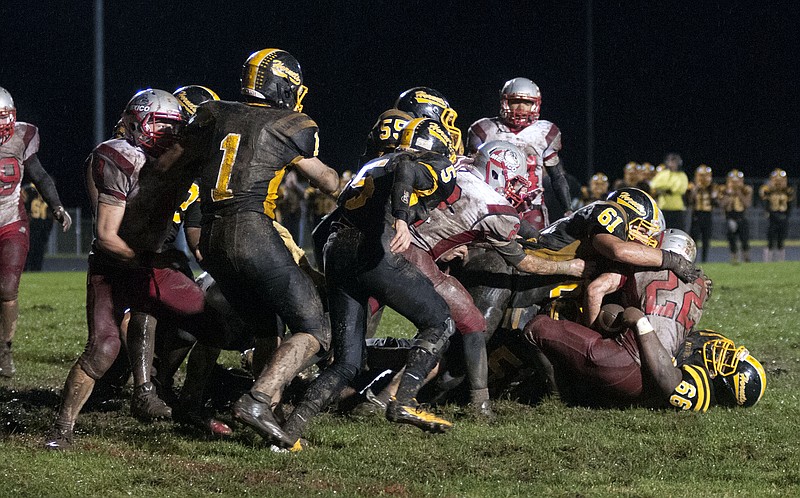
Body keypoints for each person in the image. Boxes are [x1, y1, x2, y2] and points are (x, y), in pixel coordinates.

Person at [179, 48, 339, 448]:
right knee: (314, 327)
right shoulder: (290, 123)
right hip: (250, 232)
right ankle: (257, 401)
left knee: (266, 325)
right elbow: (329, 183)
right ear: (283, 84)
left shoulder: (214, 112)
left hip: (212, 234)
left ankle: (199, 403)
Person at [279, 118, 461, 449]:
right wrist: (403, 221)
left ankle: (288, 433)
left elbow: (329, 222)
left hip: (338, 248)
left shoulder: (374, 163)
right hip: (373, 248)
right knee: (440, 320)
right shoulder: (421, 161)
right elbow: (407, 169)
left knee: (347, 362)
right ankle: (404, 400)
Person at [45, 88, 205, 450]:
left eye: (172, 128)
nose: (166, 135)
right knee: (103, 347)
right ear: (136, 122)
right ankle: (61, 429)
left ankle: (182, 402)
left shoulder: (167, 161)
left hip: (151, 262)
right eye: (160, 126)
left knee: (208, 322)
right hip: (115, 265)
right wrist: (148, 262)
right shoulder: (118, 156)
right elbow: (106, 236)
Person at [524, 230, 766, 411]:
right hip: (644, 367)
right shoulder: (701, 283)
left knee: (536, 328)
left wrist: (614, 327)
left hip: (627, 365)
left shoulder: (651, 267)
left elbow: (595, 290)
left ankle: (559, 397)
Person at [0, 86, 72, 378]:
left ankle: (5, 350)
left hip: (10, 221)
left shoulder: (22, 136)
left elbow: (39, 174)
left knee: (7, 289)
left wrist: (56, 206)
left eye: (3, 117)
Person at [467, 78, 571, 230]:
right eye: (515, 101)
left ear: (535, 104)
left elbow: (557, 176)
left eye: (527, 103)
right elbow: (471, 175)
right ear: (505, 102)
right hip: (490, 204)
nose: (521, 107)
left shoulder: (546, 132)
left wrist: (568, 209)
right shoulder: (484, 129)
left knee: (535, 249)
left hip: (531, 208)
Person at [759, 168, 795, 262]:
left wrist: (786, 216)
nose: (778, 182)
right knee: (770, 240)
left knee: (781, 240)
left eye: (781, 180)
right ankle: (767, 261)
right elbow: (764, 201)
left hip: (783, 216)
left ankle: (780, 261)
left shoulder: (788, 190)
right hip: (773, 216)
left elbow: (790, 205)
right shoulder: (767, 190)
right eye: (776, 180)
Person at [718, 169, 753, 263]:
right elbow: (721, 204)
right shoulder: (724, 190)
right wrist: (729, 195)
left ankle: (746, 258)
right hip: (730, 218)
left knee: (744, 240)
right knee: (732, 240)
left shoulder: (746, 189)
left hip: (741, 218)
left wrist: (739, 193)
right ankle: (734, 259)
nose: (735, 183)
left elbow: (747, 204)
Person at [649, 153, 688, 230]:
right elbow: (654, 184)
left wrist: (664, 189)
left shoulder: (682, 175)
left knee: (678, 231)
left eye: (674, 162)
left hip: (677, 209)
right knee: (662, 231)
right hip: (663, 208)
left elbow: (681, 189)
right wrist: (670, 188)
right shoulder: (663, 174)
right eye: (670, 162)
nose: (672, 164)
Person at [21, 183, 54, 272]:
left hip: (36, 224)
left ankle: (31, 269)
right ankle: (34, 269)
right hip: (37, 224)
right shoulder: (46, 190)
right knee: (35, 249)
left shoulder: (28, 189)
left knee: (33, 249)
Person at [687, 164, 716, 263]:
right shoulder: (692, 185)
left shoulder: (713, 186)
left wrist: (712, 192)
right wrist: (696, 188)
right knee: (694, 239)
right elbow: (689, 200)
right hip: (696, 214)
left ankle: (705, 260)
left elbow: (716, 202)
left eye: (706, 175)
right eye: (701, 175)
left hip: (707, 214)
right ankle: (692, 260)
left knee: (706, 239)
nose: (703, 178)